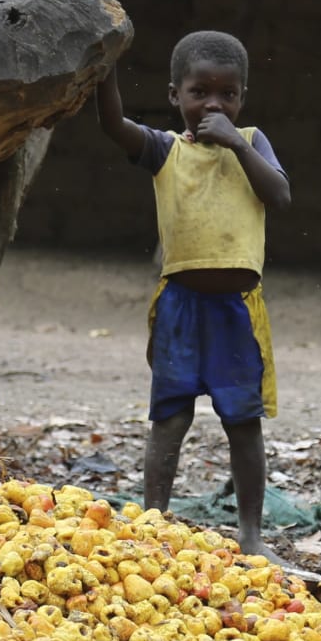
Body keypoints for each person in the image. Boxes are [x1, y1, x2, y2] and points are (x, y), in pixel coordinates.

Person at [98, 32, 291, 559]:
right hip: (181, 308)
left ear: (242, 99)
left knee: (242, 423)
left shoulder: (252, 141)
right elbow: (113, 126)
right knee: (170, 419)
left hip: (237, 313)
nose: (213, 104)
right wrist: (105, 67)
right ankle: (154, 525)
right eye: (199, 91)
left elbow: (279, 194)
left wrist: (235, 142)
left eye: (227, 94)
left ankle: (251, 534)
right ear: (173, 95)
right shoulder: (166, 150)